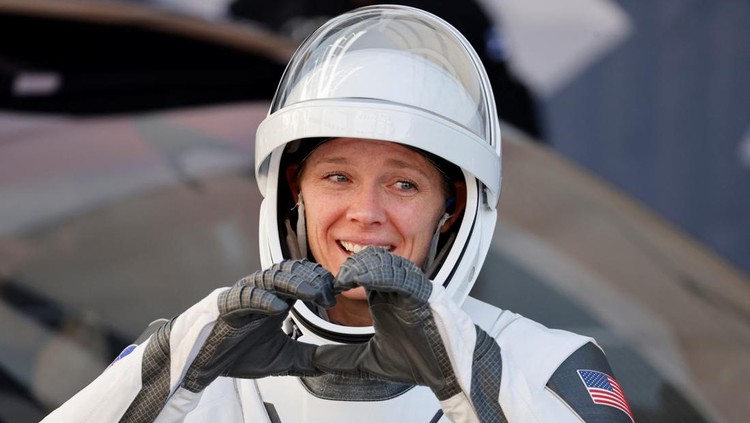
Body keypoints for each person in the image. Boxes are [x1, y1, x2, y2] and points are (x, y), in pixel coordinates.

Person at [42, 5, 633, 422]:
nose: (365, 213)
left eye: (404, 183)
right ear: (292, 190)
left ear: (451, 210)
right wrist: (173, 375)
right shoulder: (205, 352)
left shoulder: (546, 364)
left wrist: (470, 382)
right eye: (337, 177)